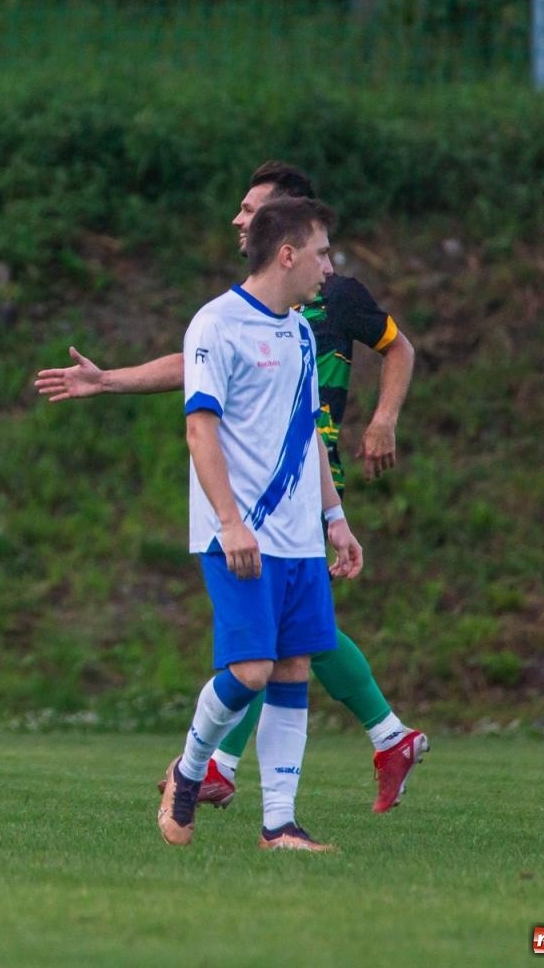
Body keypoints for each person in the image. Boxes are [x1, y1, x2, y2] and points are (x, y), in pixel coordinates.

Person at [35, 161, 426, 814]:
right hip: (259, 483)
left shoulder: (328, 294)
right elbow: (197, 367)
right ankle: (374, 741)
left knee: (278, 641)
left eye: (251, 209)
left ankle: (225, 768)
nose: (238, 219)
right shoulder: (246, 308)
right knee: (288, 639)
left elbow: (398, 349)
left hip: (294, 478)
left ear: (285, 227)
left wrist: (383, 421)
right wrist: (109, 381)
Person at [158, 196, 361, 852]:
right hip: (239, 533)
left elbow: (309, 434)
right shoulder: (215, 324)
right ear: (288, 254)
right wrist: (230, 522)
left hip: (300, 537)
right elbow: (199, 429)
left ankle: (280, 823)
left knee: (293, 668)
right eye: (323, 253)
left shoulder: (300, 331)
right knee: (250, 670)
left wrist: (335, 518)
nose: (329, 267)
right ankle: (189, 771)